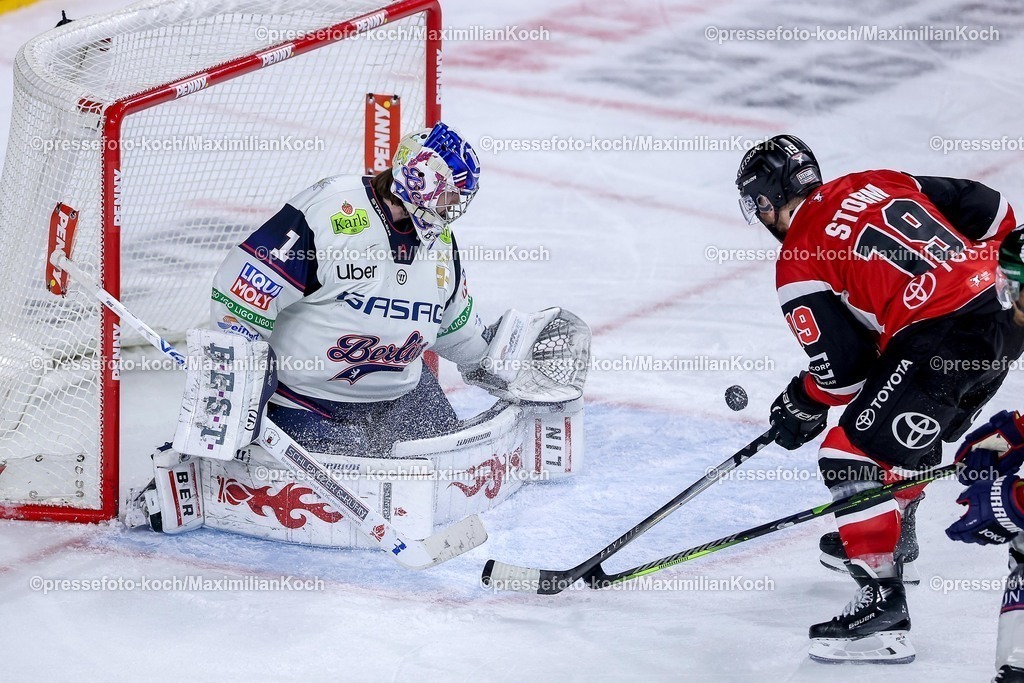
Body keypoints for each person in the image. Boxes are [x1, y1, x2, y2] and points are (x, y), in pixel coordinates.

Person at [734, 134, 1024, 663]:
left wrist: (803, 399)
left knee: (849, 453)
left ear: (765, 203)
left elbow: (844, 372)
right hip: (1003, 317)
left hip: (941, 337)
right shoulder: (873, 181)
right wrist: (979, 273)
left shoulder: (799, 255)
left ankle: (881, 607)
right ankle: (897, 535)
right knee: (898, 411)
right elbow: (992, 207)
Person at [209, 121, 488, 457]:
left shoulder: (440, 241)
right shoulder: (329, 209)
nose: (452, 210)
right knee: (344, 503)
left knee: (454, 470)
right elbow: (239, 294)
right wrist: (240, 387)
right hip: (307, 405)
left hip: (403, 399)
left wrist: (501, 364)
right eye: (448, 198)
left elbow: (456, 328)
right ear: (420, 182)